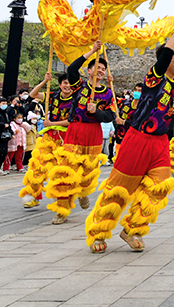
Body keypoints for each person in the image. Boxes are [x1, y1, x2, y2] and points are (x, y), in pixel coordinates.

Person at [85, 15, 174, 253]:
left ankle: (133, 228)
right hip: (137, 139)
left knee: (159, 187)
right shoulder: (154, 79)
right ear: (165, 59)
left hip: (160, 142)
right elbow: (165, 57)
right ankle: (98, 232)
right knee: (119, 188)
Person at [44, 40, 115, 225]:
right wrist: (92, 51)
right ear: (89, 71)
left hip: (94, 134)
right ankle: (62, 209)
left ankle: (83, 191)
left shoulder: (108, 93)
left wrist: (96, 112)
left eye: (103, 69)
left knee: (88, 172)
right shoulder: (79, 86)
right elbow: (71, 70)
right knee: (66, 171)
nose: (100, 71)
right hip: (75, 130)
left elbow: (110, 116)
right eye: (96, 67)